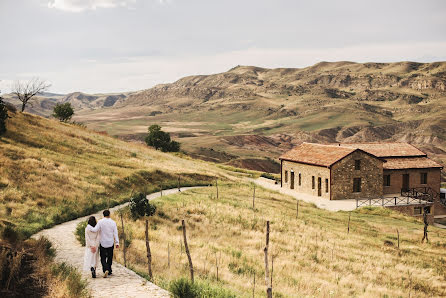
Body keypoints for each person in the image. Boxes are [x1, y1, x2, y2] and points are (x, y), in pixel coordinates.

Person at [88, 210, 119, 278]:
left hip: (103, 242)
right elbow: (115, 233)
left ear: (103, 214)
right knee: (110, 257)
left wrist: (88, 227)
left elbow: (95, 230)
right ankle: (109, 270)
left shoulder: (100, 222)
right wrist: (117, 242)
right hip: (110, 242)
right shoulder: (113, 222)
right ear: (109, 214)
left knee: (103, 257)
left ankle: (105, 269)